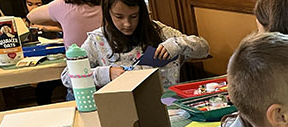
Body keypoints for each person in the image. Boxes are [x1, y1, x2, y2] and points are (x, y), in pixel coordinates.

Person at [59, 0, 209, 91]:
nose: (127, 24)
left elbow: (203, 48)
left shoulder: (159, 31)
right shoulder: (97, 40)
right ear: (108, 14)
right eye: (119, 17)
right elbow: (67, 77)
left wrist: (178, 44)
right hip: (120, 110)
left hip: (167, 106)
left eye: (134, 16)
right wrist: (106, 74)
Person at [27, 0, 101, 47]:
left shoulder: (61, 6)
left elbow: (31, 17)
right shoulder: (108, 5)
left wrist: (60, 23)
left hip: (77, 67)